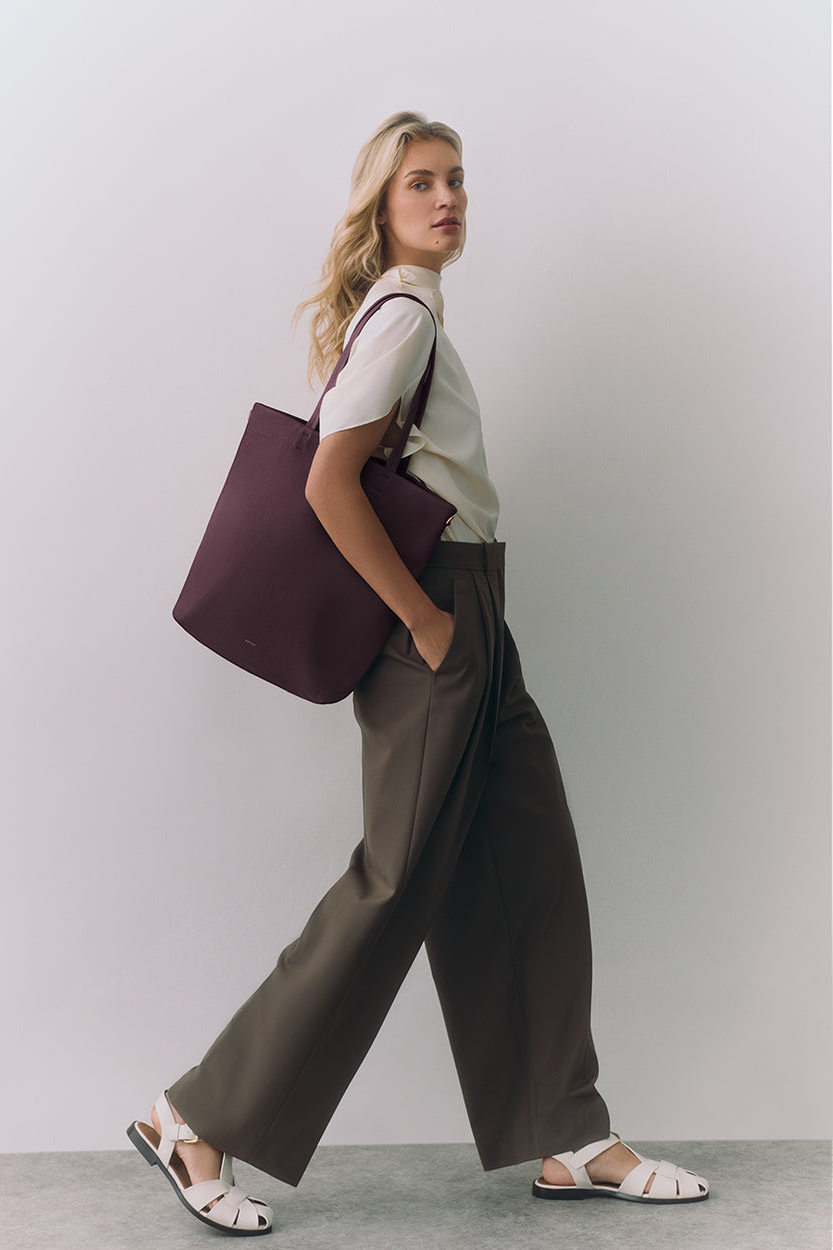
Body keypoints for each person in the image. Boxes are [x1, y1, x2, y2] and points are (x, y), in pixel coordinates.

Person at [127, 111, 709, 1236]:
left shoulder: (417, 312)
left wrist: (463, 620)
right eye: (420, 186)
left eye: (455, 183)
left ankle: (568, 1131)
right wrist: (426, 619)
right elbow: (328, 483)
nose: (445, 201)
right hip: (435, 617)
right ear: (383, 210)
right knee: (393, 885)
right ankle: (193, 1113)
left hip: (476, 610)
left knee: (531, 854)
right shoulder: (400, 313)